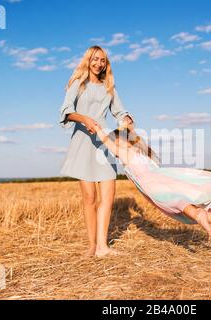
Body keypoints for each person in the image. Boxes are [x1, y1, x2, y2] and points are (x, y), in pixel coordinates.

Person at [94, 124, 211, 239]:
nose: (116, 144)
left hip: (152, 183)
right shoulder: (142, 153)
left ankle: (198, 214)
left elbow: (107, 142)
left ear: (127, 140)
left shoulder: (127, 153)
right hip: (165, 178)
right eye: (115, 141)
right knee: (179, 198)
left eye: (118, 140)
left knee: (174, 202)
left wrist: (97, 129)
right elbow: (129, 135)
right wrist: (128, 127)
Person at [59, 45, 134, 257]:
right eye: (95, 59)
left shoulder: (109, 86)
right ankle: (92, 245)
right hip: (83, 141)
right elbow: (66, 111)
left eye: (102, 60)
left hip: (104, 141)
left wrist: (126, 119)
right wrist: (85, 119)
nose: (99, 63)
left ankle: (103, 247)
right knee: (90, 197)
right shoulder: (78, 83)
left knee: (108, 196)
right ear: (88, 60)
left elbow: (119, 110)